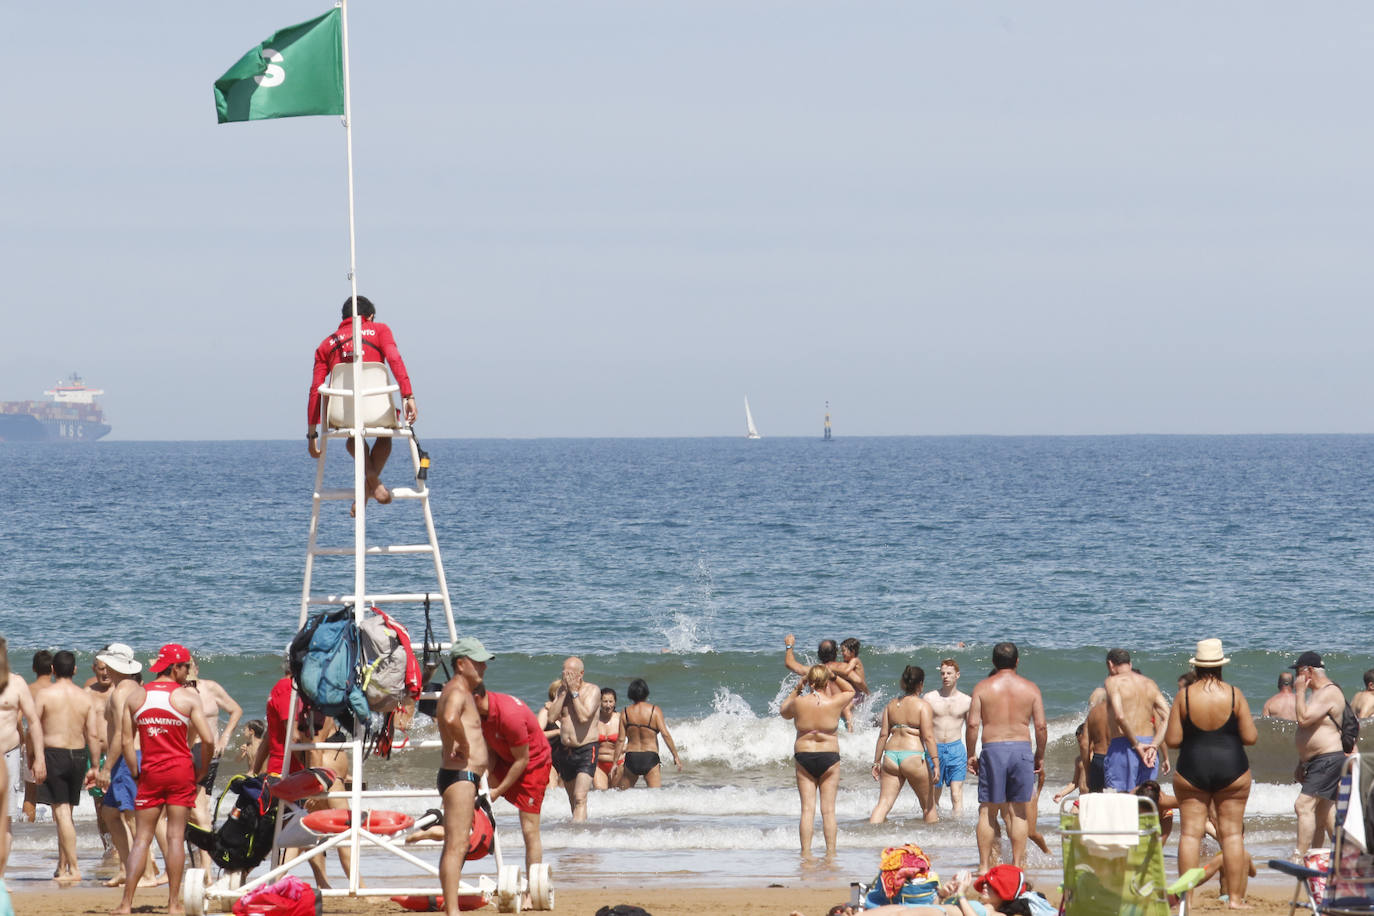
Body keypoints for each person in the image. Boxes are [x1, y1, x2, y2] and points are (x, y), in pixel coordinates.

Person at [112, 644, 214, 916]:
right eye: (186, 667)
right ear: (175, 667)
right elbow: (208, 739)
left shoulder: (136, 696)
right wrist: (201, 769)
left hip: (151, 771)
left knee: (142, 839)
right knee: (175, 836)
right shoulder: (187, 697)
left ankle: (125, 904)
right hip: (180, 770)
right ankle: (173, 905)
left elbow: (125, 740)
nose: (188, 672)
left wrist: (135, 770)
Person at [1163, 638, 1257, 910]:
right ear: (1220, 666)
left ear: (1198, 665)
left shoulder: (1185, 696)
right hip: (1233, 768)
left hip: (1193, 767)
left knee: (1190, 834)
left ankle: (1187, 900)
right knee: (1231, 836)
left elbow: (1172, 739)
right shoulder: (1234, 694)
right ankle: (1236, 900)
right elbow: (1251, 737)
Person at [306, 295, 418, 513]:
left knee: (352, 435)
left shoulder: (326, 345)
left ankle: (368, 486)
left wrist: (312, 434)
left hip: (341, 415)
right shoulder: (380, 330)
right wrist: (408, 396)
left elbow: (315, 390)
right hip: (380, 413)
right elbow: (395, 360)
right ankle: (372, 484)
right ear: (371, 316)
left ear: (343, 318)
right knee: (385, 435)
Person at [966, 642, 1046, 873]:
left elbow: (972, 724)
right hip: (1021, 748)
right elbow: (1040, 726)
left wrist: (971, 753)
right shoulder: (1031, 689)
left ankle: (983, 867)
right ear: (1017, 661)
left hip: (993, 748)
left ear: (993, 662)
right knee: (1018, 810)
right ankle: (1017, 866)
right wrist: (1039, 755)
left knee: (987, 810)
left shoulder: (982, 687)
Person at [436, 636, 489, 916]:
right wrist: (465, 744)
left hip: (460, 776)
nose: (483, 667)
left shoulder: (460, 689)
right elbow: (449, 718)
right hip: (459, 775)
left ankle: (451, 908)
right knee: (456, 845)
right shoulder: (457, 689)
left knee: (455, 844)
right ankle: (452, 911)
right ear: (460, 663)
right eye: (477, 662)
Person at [33, 650, 97, 883]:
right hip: (79, 755)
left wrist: (37, 757)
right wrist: (96, 766)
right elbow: (93, 734)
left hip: (54, 754)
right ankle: (62, 865)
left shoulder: (45, 695)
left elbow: (35, 728)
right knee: (65, 814)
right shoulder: (85, 697)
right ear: (75, 670)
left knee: (61, 813)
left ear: (52, 670)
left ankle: (75, 868)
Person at [780, 665, 854, 857]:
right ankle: (830, 853)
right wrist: (834, 676)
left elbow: (783, 711)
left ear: (810, 682)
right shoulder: (835, 702)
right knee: (828, 811)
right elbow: (851, 690)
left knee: (807, 809)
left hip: (804, 755)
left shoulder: (799, 702)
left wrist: (798, 687)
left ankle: (805, 853)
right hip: (829, 755)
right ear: (826, 681)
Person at [1291, 650, 1347, 855]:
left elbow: (1303, 719)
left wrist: (1298, 691)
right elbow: (1311, 730)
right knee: (1325, 811)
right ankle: (1344, 854)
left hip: (1328, 758)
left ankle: (1299, 856)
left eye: (1299, 673)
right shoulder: (1318, 693)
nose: (1297, 678)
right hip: (1317, 760)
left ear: (1309, 671)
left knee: (1303, 806)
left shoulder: (1328, 692)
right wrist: (1301, 761)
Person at [869, 665, 940, 824]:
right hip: (913, 756)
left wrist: (876, 761)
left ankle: (870, 838)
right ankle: (935, 844)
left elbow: (883, 735)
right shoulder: (923, 706)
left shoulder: (891, 705)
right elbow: (928, 736)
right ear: (920, 684)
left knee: (884, 803)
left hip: (891, 757)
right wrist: (936, 763)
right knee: (929, 806)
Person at [0, 637, 46, 877]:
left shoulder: (17, 684)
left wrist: (38, 757)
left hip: (8, 756)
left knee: (4, 819)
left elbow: (34, 721)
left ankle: (0, 878)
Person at [1102, 648, 1171, 791]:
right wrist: (1154, 745)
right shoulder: (1149, 683)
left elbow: (1120, 716)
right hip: (1149, 749)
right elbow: (1167, 716)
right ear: (1130, 664)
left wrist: (1137, 744)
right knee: (1145, 802)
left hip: (1124, 745)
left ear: (1110, 664)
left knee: (1121, 801)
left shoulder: (1112, 682)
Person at [548, 657, 600, 822]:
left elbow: (584, 717)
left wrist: (574, 693)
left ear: (581, 674)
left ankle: (578, 833)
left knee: (580, 797)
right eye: (564, 673)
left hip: (586, 748)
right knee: (572, 799)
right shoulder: (561, 692)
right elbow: (551, 717)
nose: (566, 677)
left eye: (571, 674)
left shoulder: (592, 690)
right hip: (565, 750)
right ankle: (578, 833)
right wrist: (564, 693)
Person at [612, 679, 682, 789]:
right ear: (646, 692)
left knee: (624, 796)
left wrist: (615, 763)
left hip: (632, 757)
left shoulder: (625, 712)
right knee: (655, 796)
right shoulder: (655, 710)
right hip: (650, 757)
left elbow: (621, 740)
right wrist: (676, 756)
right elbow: (665, 734)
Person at [925, 658, 971, 815]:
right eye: (942, 673)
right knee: (933, 795)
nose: (945, 676)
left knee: (956, 794)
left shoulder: (966, 701)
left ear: (957, 675)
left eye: (949, 673)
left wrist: (972, 754)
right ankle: (934, 828)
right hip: (934, 749)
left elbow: (972, 728)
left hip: (956, 748)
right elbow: (922, 726)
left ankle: (957, 829)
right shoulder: (930, 698)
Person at [784, 635, 856, 730]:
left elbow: (790, 664)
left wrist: (789, 646)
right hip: (839, 720)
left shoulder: (813, 672)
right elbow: (857, 683)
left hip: (819, 719)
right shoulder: (844, 668)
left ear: (819, 654)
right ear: (836, 653)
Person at [21, 650, 54, 822]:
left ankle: (28, 831)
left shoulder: (28, 690)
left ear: (34, 668)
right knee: (59, 798)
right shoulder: (57, 690)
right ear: (53, 669)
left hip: (32, 743)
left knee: (30, 794)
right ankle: (62, 834)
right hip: (55, 744)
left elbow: (19, 719)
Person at [594, 687, 621, 790]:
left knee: (615, 795)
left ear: (615, 702)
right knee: (601, 795)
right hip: (598, 764)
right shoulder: (594, 719)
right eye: (605, 701)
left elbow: (634, 741)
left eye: (611, 701)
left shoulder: (621, 718)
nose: (608, 705)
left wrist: (623, 749)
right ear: (599, 702)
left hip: (617, 763)